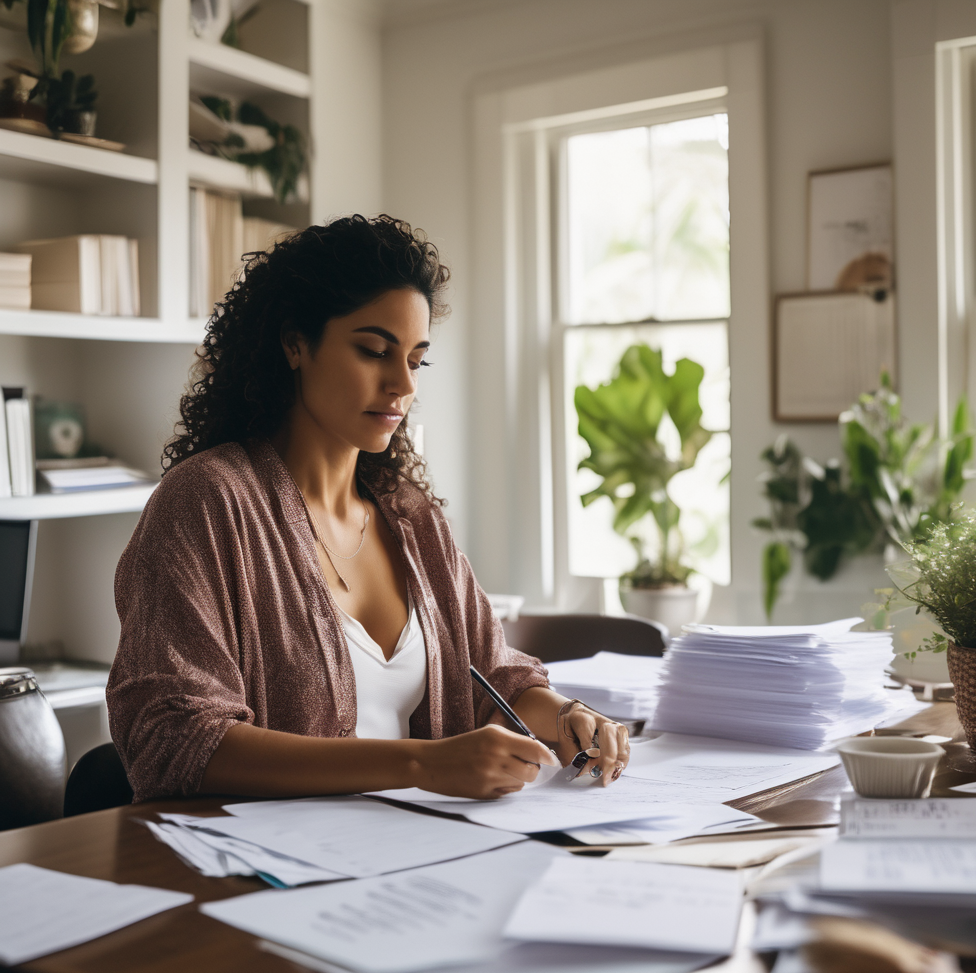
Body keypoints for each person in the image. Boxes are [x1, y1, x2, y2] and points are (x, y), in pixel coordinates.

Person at [106, 214, 631, 803]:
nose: (402, 385)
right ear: (294, 342)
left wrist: (566, 716)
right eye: (375, 350)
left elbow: (491, 672)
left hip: (413, 860)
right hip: (260, 871)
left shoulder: (410, 517)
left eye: (415, 360)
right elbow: (174, 741)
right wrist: (421, 764)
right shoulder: (205, 503)